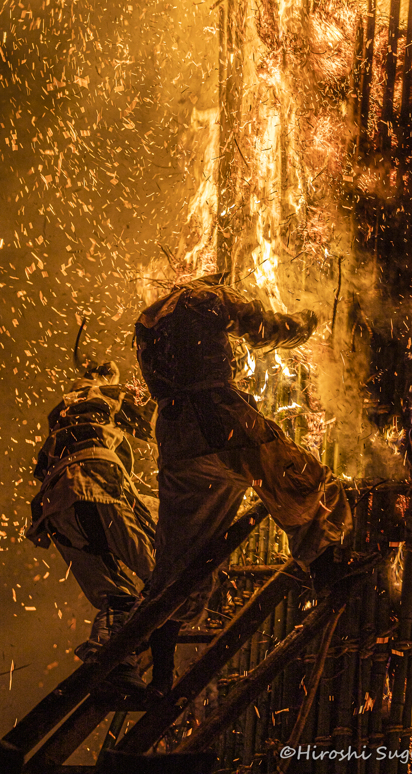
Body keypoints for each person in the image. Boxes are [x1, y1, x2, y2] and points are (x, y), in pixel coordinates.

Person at [134, 273, 353, 680]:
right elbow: (264, 330)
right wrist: (306, 323)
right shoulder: (205, 297)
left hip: (174, 437)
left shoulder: (147, 322)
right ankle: (327, 570)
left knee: (181, 556)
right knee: (298, 478)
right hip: (218, 419)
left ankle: (154, 667)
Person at [26, 360, 158, 698]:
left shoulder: (63, 411)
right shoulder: (103, 394)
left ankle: (112, 665)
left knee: (115, 597)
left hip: (57, 507)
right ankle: (153, 664)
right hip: (97, 484)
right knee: (165, 575)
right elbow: (162, 422)